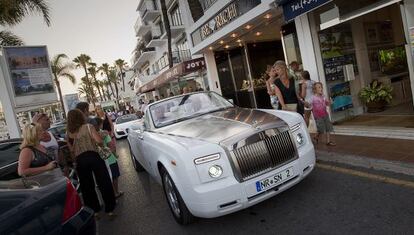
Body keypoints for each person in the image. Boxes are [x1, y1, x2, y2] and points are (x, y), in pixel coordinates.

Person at [66, 109, 116, 219]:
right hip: (93, 156)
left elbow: (71, 151)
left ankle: (95, 211)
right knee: (104, 182)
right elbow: (98, 141)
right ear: (80, 117)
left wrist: (75, 162)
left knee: (86, 186)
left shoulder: (68, 134)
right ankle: (110, 209)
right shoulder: (88, 127)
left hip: (80, 160)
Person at [93, 118, 124, 198]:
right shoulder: (104, 134)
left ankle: (109, 195)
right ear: (100, 125)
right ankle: (116, 192)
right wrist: (115, 154)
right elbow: (111, 146)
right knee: (114, 176)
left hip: (100, 161)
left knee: (105, 179)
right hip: (110, 159)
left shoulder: (91, 136)